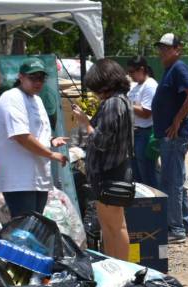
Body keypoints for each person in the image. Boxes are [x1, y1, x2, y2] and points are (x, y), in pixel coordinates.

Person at [0, 57, 68, 218]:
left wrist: (51, 141)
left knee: (35, 227)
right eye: (33, 78)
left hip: (38, 176)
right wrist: (51, 154)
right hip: (19, 178)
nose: (38, 82)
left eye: (41, 78)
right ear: (21, 77)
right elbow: (21, 136)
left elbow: (38, 132)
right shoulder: (12, 97)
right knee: (24, 230)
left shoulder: (37, 99)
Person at [72, 59, 134, 261]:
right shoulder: (122, 100)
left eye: (97, 88)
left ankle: (123, 271)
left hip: (109, 173)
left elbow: (100, 141)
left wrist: (84, 122)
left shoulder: (113, 103)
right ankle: (116, 267)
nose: (96, 93)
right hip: (113, 172)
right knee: (111, 227)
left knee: (114, 227)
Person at [151, 33, 188, 243]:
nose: (162, 52)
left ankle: (176, 229)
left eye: (166, 48)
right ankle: (185, 224)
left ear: (177, 49)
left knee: (171, 182)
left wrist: (177, 121)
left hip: (174, 137)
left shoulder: (178, 67)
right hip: (170, 137)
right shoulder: (170, 70)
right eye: (160, 48)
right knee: (176, 180)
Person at [126, 56, 159, 188]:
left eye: (132, 72)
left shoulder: (150, 85)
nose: (130, 75)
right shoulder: (136, 86)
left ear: (142, 69)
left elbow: (146, 113)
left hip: (145, 134)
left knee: (148, 175)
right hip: (135, 134)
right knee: (137, 176)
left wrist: (127, 103)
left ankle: (155, 204)